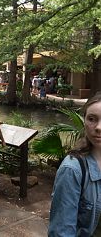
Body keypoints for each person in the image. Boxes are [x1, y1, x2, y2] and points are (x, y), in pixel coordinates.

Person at [48, 93, 101, 236]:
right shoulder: (72, 169)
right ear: (84, 121)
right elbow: (62, 231)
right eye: (92, 119)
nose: (98, 127)